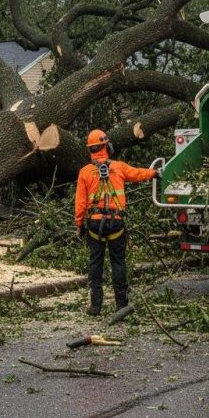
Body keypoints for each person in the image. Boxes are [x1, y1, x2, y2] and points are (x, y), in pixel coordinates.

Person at [74, 129, 160, 316]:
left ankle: (95, 306)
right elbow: (137, 173)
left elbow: (80, 204)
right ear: (107, 146)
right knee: (118, 262)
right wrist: (155, 173)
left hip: (95, 224)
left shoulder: (85, 172)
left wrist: (79, 225)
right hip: (116, 223)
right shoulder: (119, 167)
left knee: (95, 264)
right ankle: (121, 304)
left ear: (90, 150)